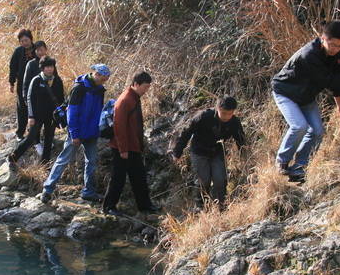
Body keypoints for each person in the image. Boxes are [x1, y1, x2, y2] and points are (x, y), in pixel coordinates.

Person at [271, 21, 340, 182]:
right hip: (286, 93)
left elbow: (336, 83)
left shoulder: (338, 56)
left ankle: (299, 168)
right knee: (299, 126)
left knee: (318, 131)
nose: (335, 49)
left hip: (306, 96)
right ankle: (282, 161)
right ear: (323, 37)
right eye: (332, 45)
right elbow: (328, 80)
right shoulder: (309, 54)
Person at [40, 64, 110, 204]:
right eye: (102, 79)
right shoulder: (79, 88)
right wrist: (74, 134)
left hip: (92, 133)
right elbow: (72, 112)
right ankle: (47, 190)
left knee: (91, 163)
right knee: (63, 160)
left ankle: (88, 192)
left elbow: (99, 111)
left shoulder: (100, 89)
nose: (103, 82)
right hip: (77, 132)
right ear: (95, 74)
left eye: (105, 80)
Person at [172, 95, 246, 210]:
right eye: (224, 113)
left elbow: (241, 140)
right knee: (203, 180)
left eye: (230, 113)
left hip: (217, 153)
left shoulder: (234, 122)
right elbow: (187, 132)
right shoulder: (204, 116)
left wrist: (244, 157)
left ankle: (219, 206)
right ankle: (200, 207)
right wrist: (177, 152)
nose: (227, 116)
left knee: (220, 179)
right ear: (217, 108)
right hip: (199, 151)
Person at [102, 71, 159, 216]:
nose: (146, 90)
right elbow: (118, 126)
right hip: (123, 147)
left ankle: (145, 205)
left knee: (138, 176)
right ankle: (109, 207)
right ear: (135, 84)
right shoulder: (125, 99)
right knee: (118, 177)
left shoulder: (134, 98)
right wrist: (123, 149)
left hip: (132, 146)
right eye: (145, 87)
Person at [9, 56, 64, 167]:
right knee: (31, 137)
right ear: (42, 68)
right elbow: (30, 98)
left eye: (52, 67)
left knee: (48, 140)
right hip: (38, 115)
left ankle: (45, 164)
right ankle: (13, 158)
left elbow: (61, 99)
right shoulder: (36, 80)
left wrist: (61, 115)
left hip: (51, 116)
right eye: (47, 67)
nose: (50, 69)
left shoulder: (57, 80)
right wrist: (31, 116)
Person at [8, 28, 35, 139]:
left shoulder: (37, 48)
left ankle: (33, 131)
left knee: (35, 106)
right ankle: (20, 132)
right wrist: (11, 82)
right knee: (22, 107)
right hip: (22, 83)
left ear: (30, 39)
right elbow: (13, 67)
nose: (24, 43)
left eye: (26, 40)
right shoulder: (18, 51)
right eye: (22, 41)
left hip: (35, 83)